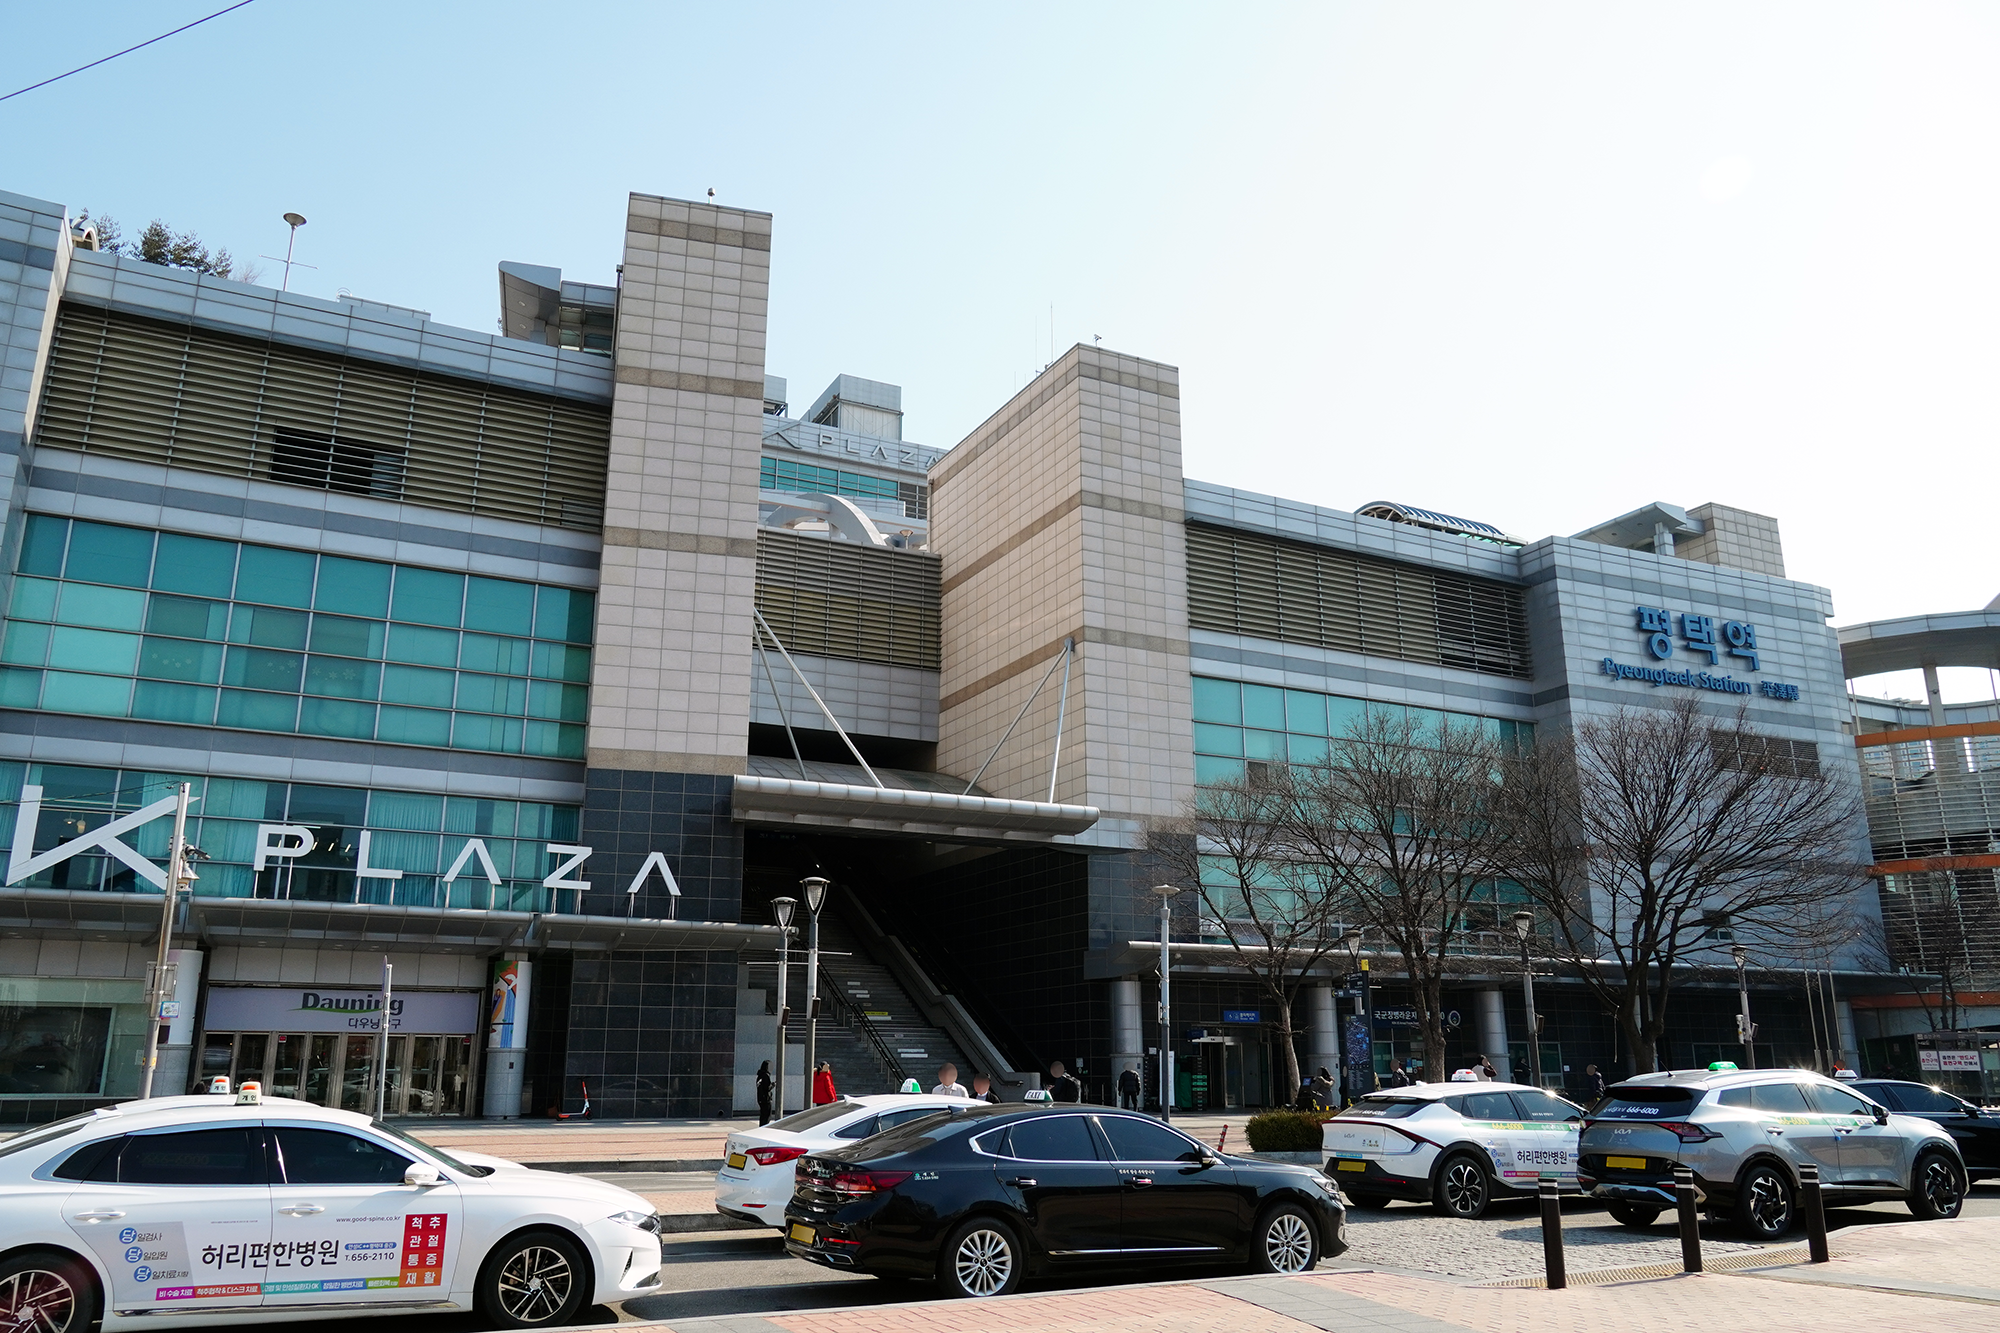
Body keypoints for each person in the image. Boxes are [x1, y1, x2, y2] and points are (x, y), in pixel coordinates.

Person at [755, 1060, 773, 1126]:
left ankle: (761, 1127)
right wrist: (773, 1084)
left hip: (760, 1098)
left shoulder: (759, 1076)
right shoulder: (766, 1075)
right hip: (766, 1099)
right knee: (767, 1116)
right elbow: (767, 1087)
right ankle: (764, 1127)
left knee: (763, 1115)